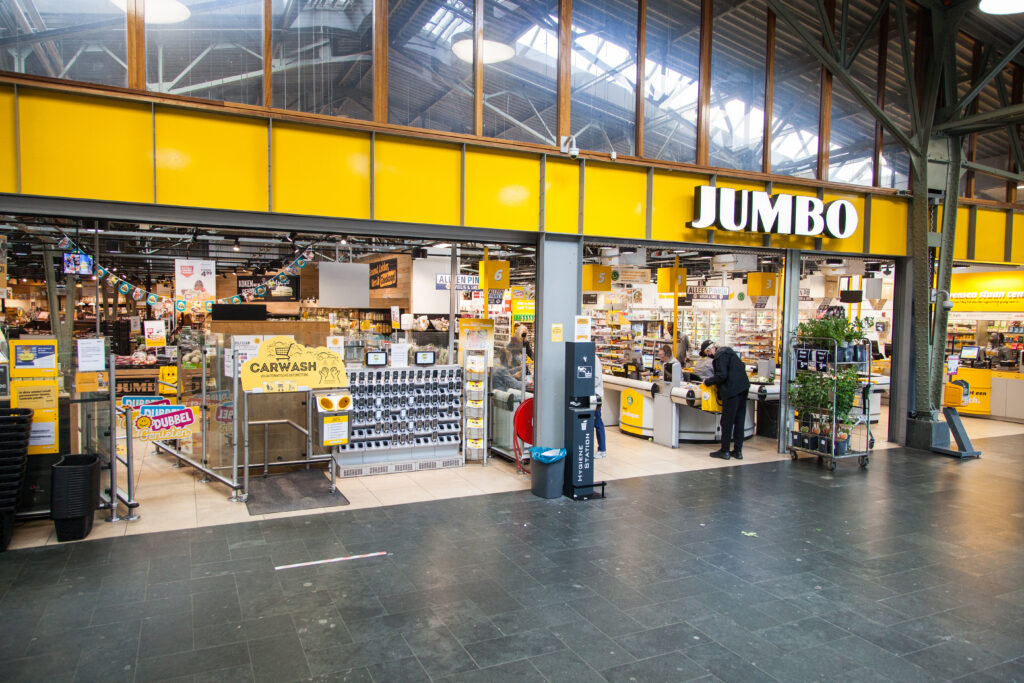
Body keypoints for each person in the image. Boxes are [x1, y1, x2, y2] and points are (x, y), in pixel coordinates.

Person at [700, 339, 751, 460]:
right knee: (739, 421)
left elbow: (722, 375)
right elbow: (741, 366)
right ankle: (738, 451)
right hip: (743, 388)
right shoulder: (729, 352)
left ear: (709, 350)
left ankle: (725, 450)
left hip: (732, 391)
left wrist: (707, 382)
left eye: (707, 353)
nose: (708, 356)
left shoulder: (719, 357)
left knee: (727, 422)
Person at [593, 355, 606, 457]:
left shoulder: (594, 359)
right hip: (589, 395)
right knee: (596, 421)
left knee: (597, 422)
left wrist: (583, 384)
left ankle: (602, 449)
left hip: (595, 395)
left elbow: (597, 379)